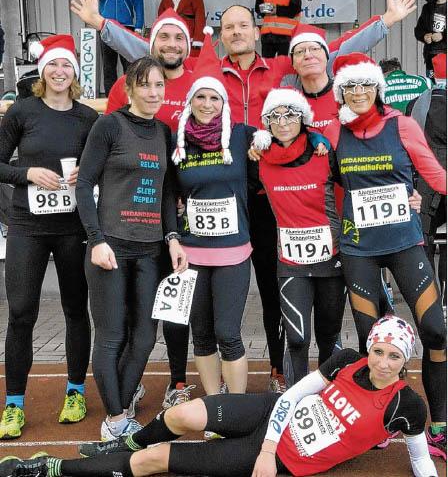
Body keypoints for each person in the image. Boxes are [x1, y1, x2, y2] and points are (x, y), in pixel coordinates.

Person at [70, 0, 416, 392]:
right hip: (209, 197)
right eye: (228, 27)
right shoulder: (207, 69)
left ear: (256, 31)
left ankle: (279, 370)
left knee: (273, 291)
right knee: (186, 308)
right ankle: (178, 381)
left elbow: (332, 51)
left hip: (271, 200)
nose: (236, 32)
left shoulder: (283, 68)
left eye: (242, 26)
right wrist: (102, 25)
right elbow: (155, 49)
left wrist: (385, 22)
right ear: (221, 37)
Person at [1, 315, 440, 477]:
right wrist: (267, 447)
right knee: (183, 416)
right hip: (273, 416)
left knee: (156, 461)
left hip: (288, 458)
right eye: (379, 351)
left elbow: (420, 459)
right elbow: (291, 396)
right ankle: (126, 441)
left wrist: (268, 456)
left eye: (394, 356)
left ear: (406, 361)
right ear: (369, 349)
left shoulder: (408, 406)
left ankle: (49, 468)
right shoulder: (346, 360)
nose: (383, 363)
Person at [71, 4, 197, 411]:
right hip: (110, 247)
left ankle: (121, 408)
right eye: (145, 86)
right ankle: (115, 416)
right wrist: (96, 240)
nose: (154, 92)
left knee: (144, 337)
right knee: (112, 337)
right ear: (129, 89)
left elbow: (166, 191)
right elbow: (85, 184)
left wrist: (173, 238)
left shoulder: (163, 132)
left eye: (159, 85)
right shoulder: (109, 125)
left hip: (149, 251)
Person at [325, 52, 447, 459]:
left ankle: (440, 424)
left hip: (404, 243)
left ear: (377, 88)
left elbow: (435, 175)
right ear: (341, 93)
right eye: (350, 86)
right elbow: (313, 176)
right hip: (358, 248)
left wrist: (419, 194)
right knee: (371, 342)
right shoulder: (333, 131)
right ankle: (379, 418)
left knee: (436, 331)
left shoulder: (402, 124)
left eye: (365, 84)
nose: (358, 92)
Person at [0, 35, 98, 439]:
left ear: (75, 72)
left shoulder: (88, 118)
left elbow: (103, 166)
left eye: (67, 65)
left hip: (72, 227)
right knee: (22, 312)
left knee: (76, 309)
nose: (60, 72)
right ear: (43, 72)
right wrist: (28, 173)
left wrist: (85, 174)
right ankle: (14, 404)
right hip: (28, 225)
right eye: (53, 65)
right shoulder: (22, 112)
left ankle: (75, 392)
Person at [171, 29, 255, 406]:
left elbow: (290, 144)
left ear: (224, 102)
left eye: (214, 97)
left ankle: (234, 409)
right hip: (192, 253)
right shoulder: (178, 142)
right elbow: (167, 193)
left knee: (228, 333)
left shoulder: (241, 136)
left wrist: (316, 141)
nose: (207, 104)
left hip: (233, 252)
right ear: (191, 100)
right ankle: (213, 407)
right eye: (200, 97)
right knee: (201, 335)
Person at [251, 88, 345, 385]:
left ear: (303, 118)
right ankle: (295, 398)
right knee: (297, 338)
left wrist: (409, 196)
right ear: (266, 122)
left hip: (331, 261)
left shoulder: (323, 151)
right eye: (274, 116)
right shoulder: (258, 158)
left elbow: (358, 183)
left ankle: (328, 397)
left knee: (329, 336)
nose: (282, 122)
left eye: (290, 114)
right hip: (291, 263)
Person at [406, 53, 447, 308]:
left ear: (431, 75)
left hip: (424, 179)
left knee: (424, 239)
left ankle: (430, 298)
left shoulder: (416, 104)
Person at [90, 0, 144, 95]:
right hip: (106, 27)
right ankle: (110, 99)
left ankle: (130, 99)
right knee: (108, 67)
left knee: (129, 67)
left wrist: (138, 26)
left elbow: (138, 3)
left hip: (126, 27)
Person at [414, 0, 447, 80]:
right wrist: (424, 36)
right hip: (431, 57)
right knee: (433, 85)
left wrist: (443, 35)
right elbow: (418, 30)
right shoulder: (427, 7)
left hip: (446, 56)